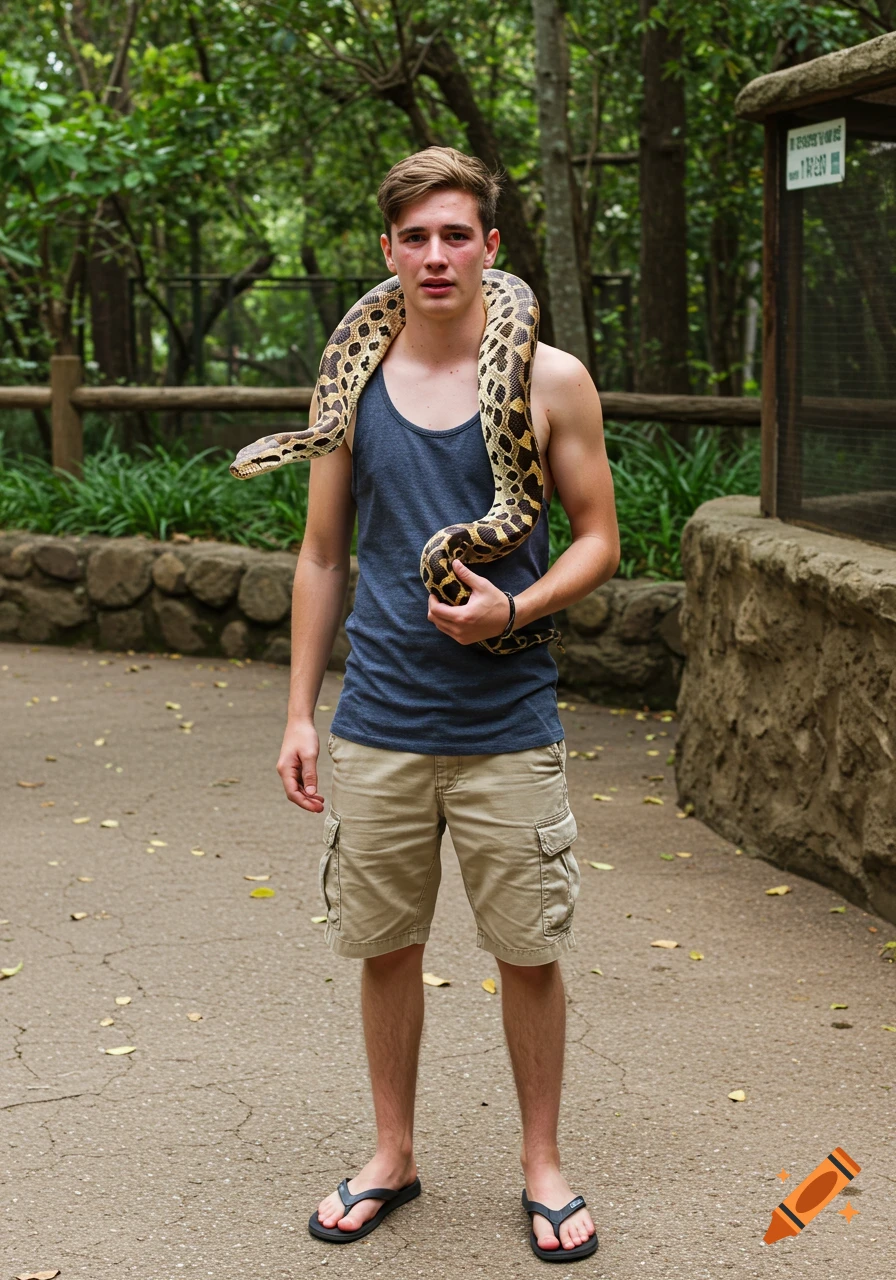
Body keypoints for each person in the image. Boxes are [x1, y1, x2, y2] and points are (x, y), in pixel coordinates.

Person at [277, 146, 620, 1262]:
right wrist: (296, 711)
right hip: (377, 714)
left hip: (505, 720)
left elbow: (600, 542)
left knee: (527, 948)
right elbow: (322, 551)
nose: (435, 254)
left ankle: (541, 1163)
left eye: (454, 234)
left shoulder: (548, 378)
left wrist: (510, 609)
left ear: (489, 247)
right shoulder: (351, 385)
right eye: (414, 237)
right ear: (388, 251)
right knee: (384, 943)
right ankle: (393, 1152)